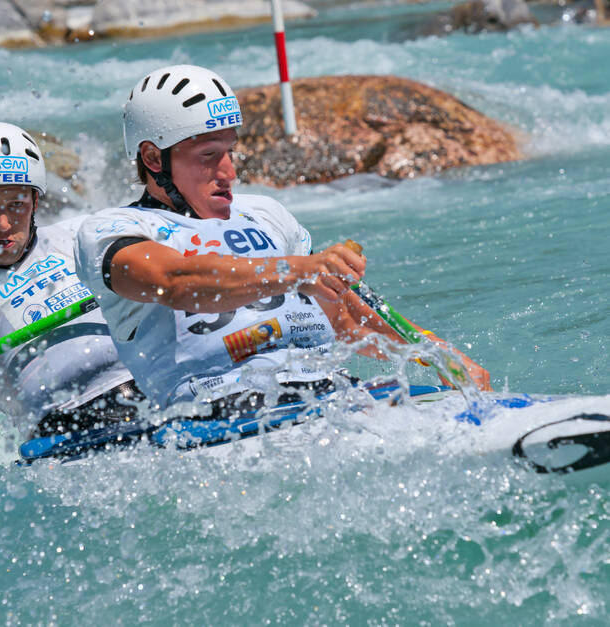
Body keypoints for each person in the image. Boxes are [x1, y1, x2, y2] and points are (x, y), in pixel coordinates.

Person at [74, 64, 491, 420]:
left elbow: (344, 318)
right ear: (152, 158)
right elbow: (175, 282)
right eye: (207, 156)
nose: (228, 173)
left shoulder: (267, 214)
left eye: (230, 152)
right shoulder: (114, 231)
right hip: (220, 412)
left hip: (330, 391)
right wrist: (295, 271)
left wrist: (435, 352)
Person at [0, 122, 143, 444]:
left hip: (148, 389)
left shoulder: (83, 236)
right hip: (60, 435)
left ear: (35, 201)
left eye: (15, 205)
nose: (2, 224)